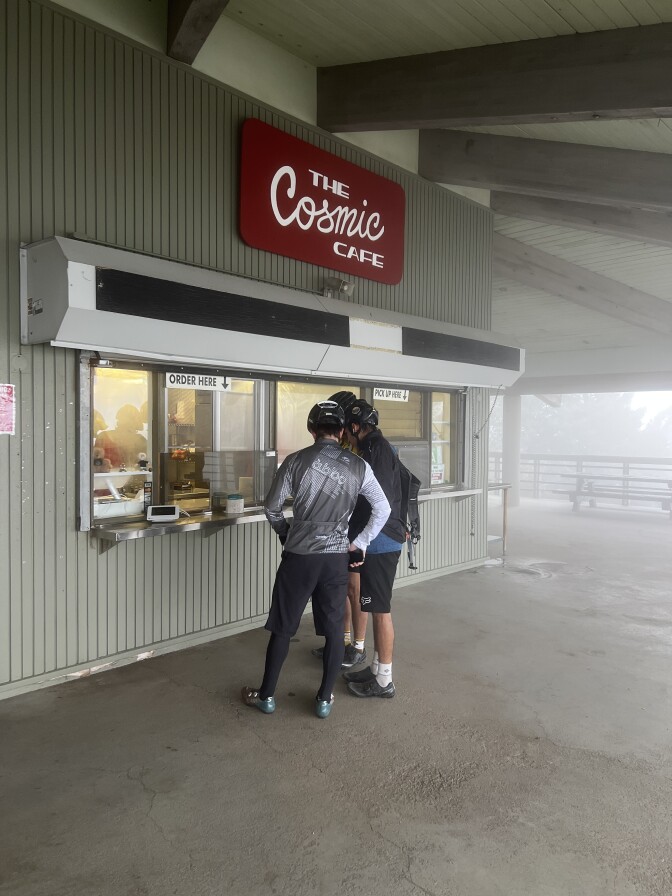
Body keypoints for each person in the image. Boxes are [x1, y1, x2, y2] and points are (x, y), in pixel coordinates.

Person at [241, 400, 391, 719]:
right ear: (341, 430)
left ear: (312, 430)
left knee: (283, 627)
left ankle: (266, 696)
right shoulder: (358, 465)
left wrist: (285, 533)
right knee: (335, 629)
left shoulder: (295, 461)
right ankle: (324, 699)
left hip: (299, 557)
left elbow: (272, 508)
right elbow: (384, 509)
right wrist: (360, 543)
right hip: (337, 558)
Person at [342, 399, 405, 699]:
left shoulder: (376, 451)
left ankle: (385, 681)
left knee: (380, 611)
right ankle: (378, 668)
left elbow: (380, 503)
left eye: (347, 429)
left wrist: (362, 541)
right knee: (375, 607)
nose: (345, 436)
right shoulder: (373, 448)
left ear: (355, 427)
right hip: (378, 541)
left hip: (380, 543)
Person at [311, 390, 370, 669]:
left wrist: (361, 539)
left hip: (356, 532)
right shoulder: (343, 446)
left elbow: (373, 498)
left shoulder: (364, 448)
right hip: (338, 528)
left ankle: (358, 646)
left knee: (355, 590)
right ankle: (340, 642)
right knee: (340, 590)